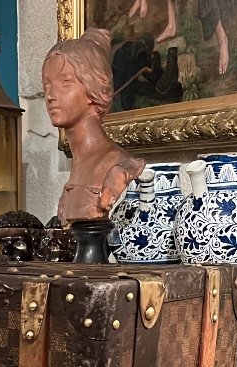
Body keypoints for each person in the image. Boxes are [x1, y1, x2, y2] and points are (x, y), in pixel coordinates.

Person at [43, 27, 146, 224]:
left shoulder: (116, 164)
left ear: (94, 89)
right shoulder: (79, 163)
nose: (50, 95)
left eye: (66, 82)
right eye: (47, 84)